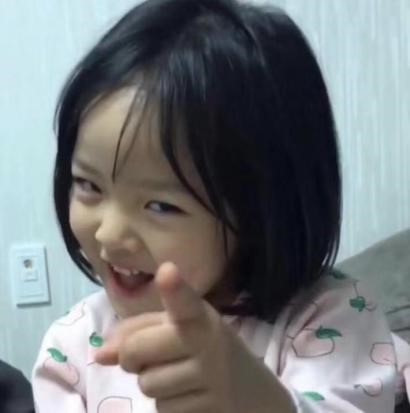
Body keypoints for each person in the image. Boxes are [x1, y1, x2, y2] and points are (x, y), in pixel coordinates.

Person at [32, 0, 399, 411]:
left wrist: (259, 403)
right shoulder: (71, 350)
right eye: (88, 185)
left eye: (160, 205)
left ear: (262, 207)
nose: (109, 234)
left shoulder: (329, 316)